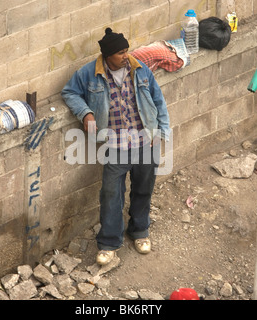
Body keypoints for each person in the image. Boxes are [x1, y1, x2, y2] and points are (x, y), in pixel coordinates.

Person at [61, 28, 170, 265]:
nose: (125, 55)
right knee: (111, 194)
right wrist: (85, 113)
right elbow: (69, 92)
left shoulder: (139, 69)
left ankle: (139, 231)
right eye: (120, 52)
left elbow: (158, 100)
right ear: (107, 55)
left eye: (126, 50)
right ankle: (109, 243)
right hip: (114, 145)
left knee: (143, 188)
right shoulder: (90, 73)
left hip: (145, 141)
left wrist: (161, 131)